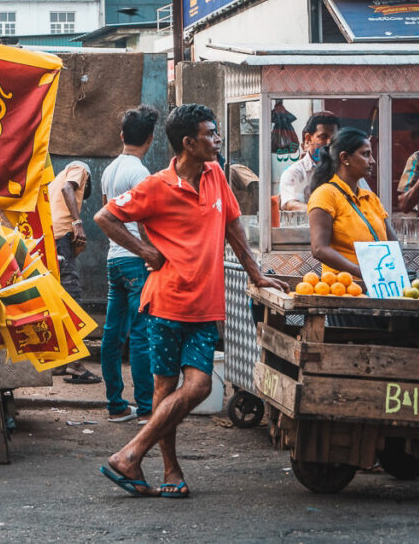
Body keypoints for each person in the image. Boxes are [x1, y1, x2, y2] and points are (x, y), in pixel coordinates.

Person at [95, 104, 287, 497]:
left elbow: (233, 225)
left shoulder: (216, 175)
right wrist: (145, 252)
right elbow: (104, 218)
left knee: (196, 387)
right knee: (166, 392)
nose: (217, 140)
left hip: (205, 306)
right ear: (188, 143)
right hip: (166, 303)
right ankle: (170, 471)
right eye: (211, 134)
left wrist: (255, 271)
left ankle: (130, 454)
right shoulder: (155, 186)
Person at [99, 106, 158, 423]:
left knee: (112, 334)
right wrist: (151, 252)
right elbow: (145, 222)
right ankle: (147, 407)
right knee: (139, 335)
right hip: (136, 260)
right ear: (150, 138)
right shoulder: (141, 174)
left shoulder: (110, 170)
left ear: (122, 136)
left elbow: (109, 215)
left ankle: (115, 405)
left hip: (114, 260)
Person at [309, 128, 397, 277]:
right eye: (366, 154)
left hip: (380, 286)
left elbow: (392, 243)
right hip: (345, 290)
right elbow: (319, 249)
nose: (372, 161)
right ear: (344, 158)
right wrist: (362, 273)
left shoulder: (371, 198)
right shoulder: (325, 194)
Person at [46, 160, 101, 384]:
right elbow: (69, 188)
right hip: (61, 237)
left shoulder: (54, 181)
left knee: (59, 301)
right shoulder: (80, 169)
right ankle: (76, 365)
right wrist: (77, 221)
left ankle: (59, 363)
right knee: (72, 300)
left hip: (52, 238)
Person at [279, 112, 340, 211]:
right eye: (323, 137)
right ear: (308, 139)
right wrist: (323, 214)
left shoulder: (346, 168)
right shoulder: (294, 172)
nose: (329, 142)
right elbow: (290, 204)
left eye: (334, 138)